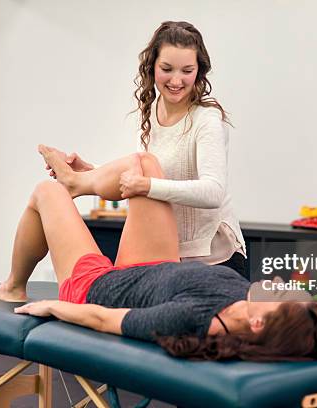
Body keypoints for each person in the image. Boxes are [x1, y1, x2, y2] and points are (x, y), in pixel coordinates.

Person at [0, 146, 317, 361]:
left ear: (258, 325)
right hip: (155, 267)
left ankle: (13, 285)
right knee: (143, 166)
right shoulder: (245, 302)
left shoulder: (192, 318)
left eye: (279, 294)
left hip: (98, 286)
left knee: (46, 195)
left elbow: (103, 319)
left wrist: (53, 307)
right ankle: (81, 181)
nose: (277, 282)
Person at [46, 21, 247, 277]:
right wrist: (92, 171)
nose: (176, 80)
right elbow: (150, 174)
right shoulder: (153, 111)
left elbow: (213, 192)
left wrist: (145, 186)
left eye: (187, 70)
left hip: (216, 261)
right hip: (172, 256)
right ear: (152, 67)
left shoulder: (206, 120)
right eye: (167, 69)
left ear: (199, 71)